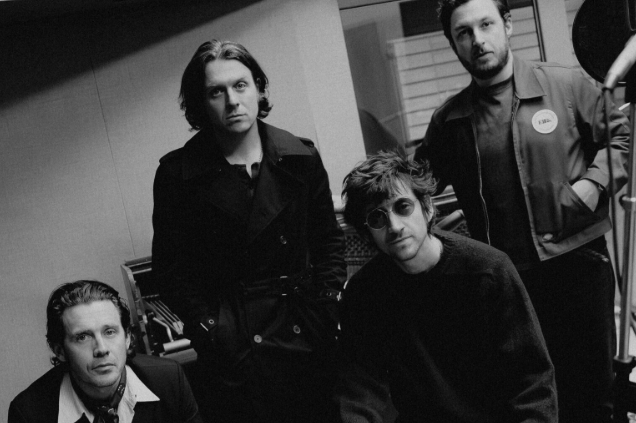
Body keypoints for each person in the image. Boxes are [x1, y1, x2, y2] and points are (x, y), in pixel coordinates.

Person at [414, 0, 631, 423]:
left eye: (486, 25)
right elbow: (419, 185)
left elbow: (621, 139)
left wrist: (593, 184)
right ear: (453, 44)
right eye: (463, 33)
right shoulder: (450, 120)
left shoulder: (566, 85)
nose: (478, 40)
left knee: (593, 393)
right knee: (530, 395)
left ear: (508, 25)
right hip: (506, 280)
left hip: (577, 262)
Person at [151, 39, 346, 422]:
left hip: (303, 331)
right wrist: (210, 326)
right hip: (234, 348)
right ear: (201, 103)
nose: (232, 101)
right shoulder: (178, 175)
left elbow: (329, 241)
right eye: (216, 92)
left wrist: (324, 305)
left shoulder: (301, 158)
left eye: (240, 85)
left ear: (258, 88)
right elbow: (170, 270)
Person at [336, 150, 557, 423]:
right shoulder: (365, 294)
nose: (394, 226)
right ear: (366, 231)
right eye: (377, 218)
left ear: (427, 207)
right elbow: (359, 388)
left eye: (403, 207)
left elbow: (533, 381)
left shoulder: (488, 271)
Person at [8, 280, 203, 423]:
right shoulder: (29, 414)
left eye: (109, 332)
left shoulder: (169, 380)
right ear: (59, 351)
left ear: (127, 338)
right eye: (83, 337)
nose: (101, 349)